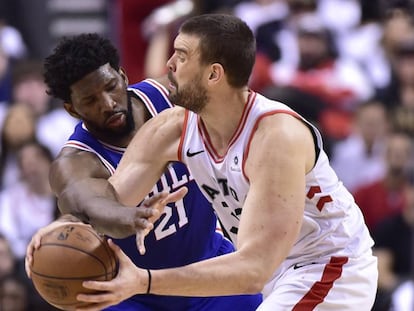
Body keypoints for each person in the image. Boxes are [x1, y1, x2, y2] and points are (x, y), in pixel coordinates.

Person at [68, 14, 378, 310]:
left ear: (214, 74)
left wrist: (144, 282)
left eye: (182, 55)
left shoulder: (276, 138)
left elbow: (253, 270)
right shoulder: (173, 128)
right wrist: (66, 227)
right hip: (275, 273)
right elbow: (111, 201)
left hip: (328, 266)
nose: (169, 64)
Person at [24, 33, 262, 311]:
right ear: (71, 109)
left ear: (123, 76)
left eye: (110, 86)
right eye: (90, 100)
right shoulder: (75, 161)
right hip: (133, 294)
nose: (107, 103)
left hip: (209, 268)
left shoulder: (172, 98)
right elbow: (94, 207)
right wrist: (134, 216)